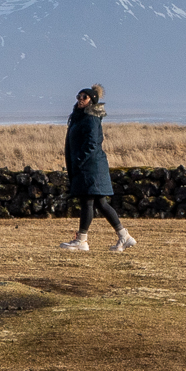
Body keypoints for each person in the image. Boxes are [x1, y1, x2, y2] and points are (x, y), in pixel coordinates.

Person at [59, 83, 135, 253]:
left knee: (88, 201)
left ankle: (82, 240)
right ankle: (125, 237)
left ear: (91, 100)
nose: (80, 100)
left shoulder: (91, 119)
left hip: (90, 167)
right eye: (78, 97)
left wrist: (78, 161)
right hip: (90, 165)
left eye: (84, 97)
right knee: (100, 203)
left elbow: (92, 144)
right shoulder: (81, 117)